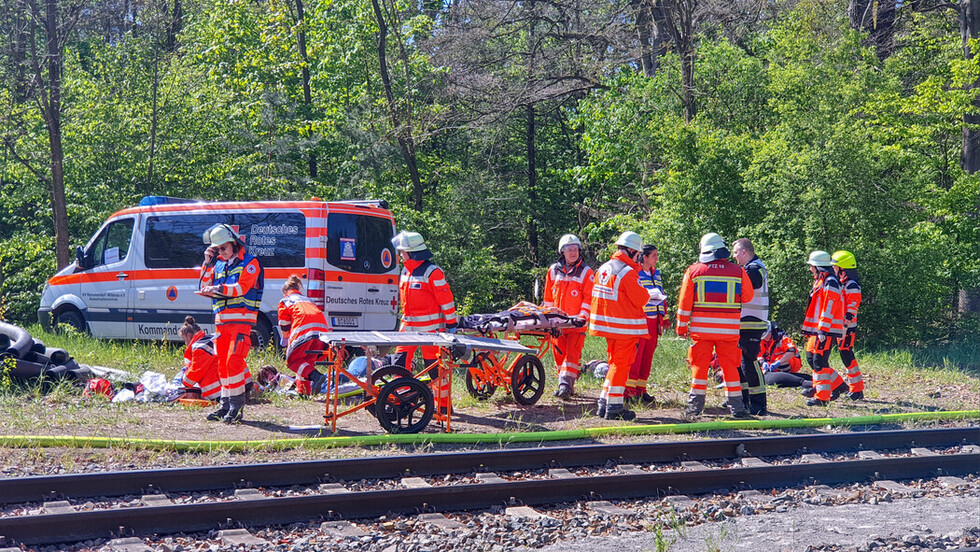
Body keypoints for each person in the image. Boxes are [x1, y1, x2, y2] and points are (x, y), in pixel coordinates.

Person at [676, 233, 754, 418]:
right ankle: (737, 408)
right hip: (729, 331)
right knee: (730, 368)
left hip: (701, 332)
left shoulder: (694, 271)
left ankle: (695, 408)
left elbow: (684, 304)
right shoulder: (738, 271)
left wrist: (681, 327)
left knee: (699, 368)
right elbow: (748, 297)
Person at [200, 223, 264, 423]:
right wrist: (207, 263)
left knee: (233, 362)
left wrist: (217, 288)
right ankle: (226, 405)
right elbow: (204, 285)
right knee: (222, 365)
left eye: (223, 248)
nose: (221, 251)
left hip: (240, 322)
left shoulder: (250, 263)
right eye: (217, 249)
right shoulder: (218, 264)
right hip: (222, 323)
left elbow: (241, 288)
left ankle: (236, 407)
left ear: (234, 244)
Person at [390, 230, 457, 414]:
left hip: (431, 331)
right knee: (399, 363)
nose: (400, 254)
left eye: (402, 251)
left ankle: (444, 408)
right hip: (408, 328)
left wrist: (451, 324)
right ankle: (404, 402)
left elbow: (446, 300)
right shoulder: (406, 270)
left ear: (412, 252)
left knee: (436, 370)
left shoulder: (433, 272)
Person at [589, 231, 652, 421]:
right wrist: (649, 294)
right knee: (620, 366)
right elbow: (641, 298)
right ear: (632, 251)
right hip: (623, 328)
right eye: (638, 253)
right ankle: (614, 407)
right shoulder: (626, 272)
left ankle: (604, 402)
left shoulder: (604, 268)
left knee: (614, 364)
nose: (639, 257)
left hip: (608, 326)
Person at [544, 234, 595, 400]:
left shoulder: (586, 272)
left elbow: (589, 298)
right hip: (557, 323)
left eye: (575, 249)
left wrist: (582, 316)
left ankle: (565, 386)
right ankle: (564, 384)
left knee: (572, 356)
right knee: (559, 354)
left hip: (576, 323)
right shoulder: (553, 271)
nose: (573, 252)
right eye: (569, 250)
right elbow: (548, 298)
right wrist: (547, 317)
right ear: (562, 252)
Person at [625, 244, 669, 405]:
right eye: (654, 255)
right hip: (640, 320)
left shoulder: (655, 273)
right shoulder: (634, 273)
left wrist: (664, 317)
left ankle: (641, 390)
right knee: (636, 356)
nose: (657, 258)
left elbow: (661, 293)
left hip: (654, 320)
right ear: (644, 257)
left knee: (647, 357)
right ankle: (630, 392)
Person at [801, 250, 846, 406]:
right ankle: (838, 385)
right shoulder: (822, 280)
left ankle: (822, 397)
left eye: (811, 266)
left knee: (819, 361)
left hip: (824, 329)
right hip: (817, 329)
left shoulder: (830, 282)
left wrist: (823, 329)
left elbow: (829, 306)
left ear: (817, 266)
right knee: (811, 359)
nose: (810, 269)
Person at [731, 238, 769, 415]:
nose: (734, 256)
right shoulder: (748, 268)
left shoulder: (755, 268)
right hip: (745, 321)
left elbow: (753, 283)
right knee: (740, 362)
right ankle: (744, 399)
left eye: (736, 252)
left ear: (744, 252)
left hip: (753, 321)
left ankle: (759, 404)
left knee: (749, 362)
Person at [278, 275, 330, 396]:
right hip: (322, 332)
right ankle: (304, 393)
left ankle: (316, 377)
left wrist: (285, 340)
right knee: (306, 363)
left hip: (305, 330)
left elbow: (284, 324)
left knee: (293, 361)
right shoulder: (307, 300)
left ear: (285, 292)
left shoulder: (285, 301)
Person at [832, 250, 864, 400]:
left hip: (847, 327)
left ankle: (856, 389)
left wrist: (844, 326)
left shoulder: (851, 284)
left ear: (842, 268)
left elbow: (852, 307)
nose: (833, 269)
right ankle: (855, 388)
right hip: (842, 326)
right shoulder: (843, 282)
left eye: (835, 266)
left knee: (847, 354)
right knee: (845, 354)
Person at [177, 316, 220, 401]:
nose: (185, 344)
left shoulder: (200, 347)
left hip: (218, 392)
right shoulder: (210, 340)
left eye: (184, 340)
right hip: (233, 385)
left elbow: (194, 374)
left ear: (189, 336)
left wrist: (182, 380)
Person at [758, 322, 810, 388]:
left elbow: (791, 351)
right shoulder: (763, 341)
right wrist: (762, 362)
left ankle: (790, 376)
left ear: (771, 332)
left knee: (781, 362)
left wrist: (778, 362)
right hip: (771, 364)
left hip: (790, 361)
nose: (764, 338)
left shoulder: (783, 338)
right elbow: (759, 354)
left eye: (766, 336)